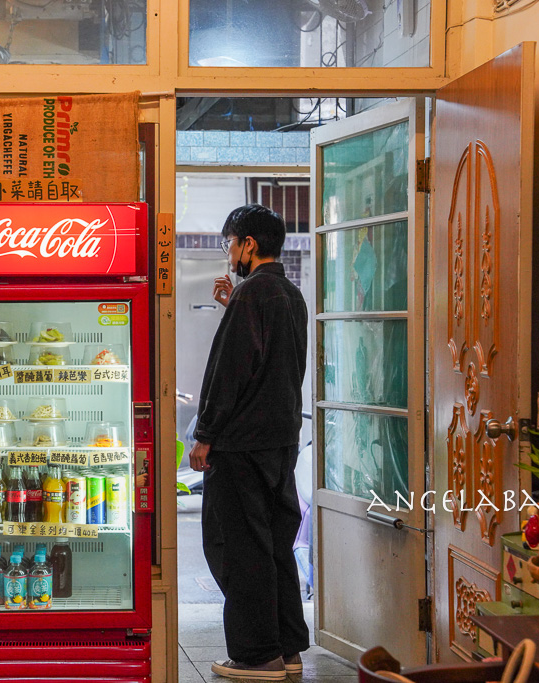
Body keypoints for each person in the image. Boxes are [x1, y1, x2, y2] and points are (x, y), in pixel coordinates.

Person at [188, 204, 310, 680]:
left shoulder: (250, 297)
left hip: (240, 447)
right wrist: (231, 305)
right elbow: (272, 361)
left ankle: (258, 656)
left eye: (230, 244)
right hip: (281, 443)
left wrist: (204, 435)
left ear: (249, 245)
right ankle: (289, 649)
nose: (229, 253)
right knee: (276, 546)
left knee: (239, 550)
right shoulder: (289, 294)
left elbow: (230, 373)